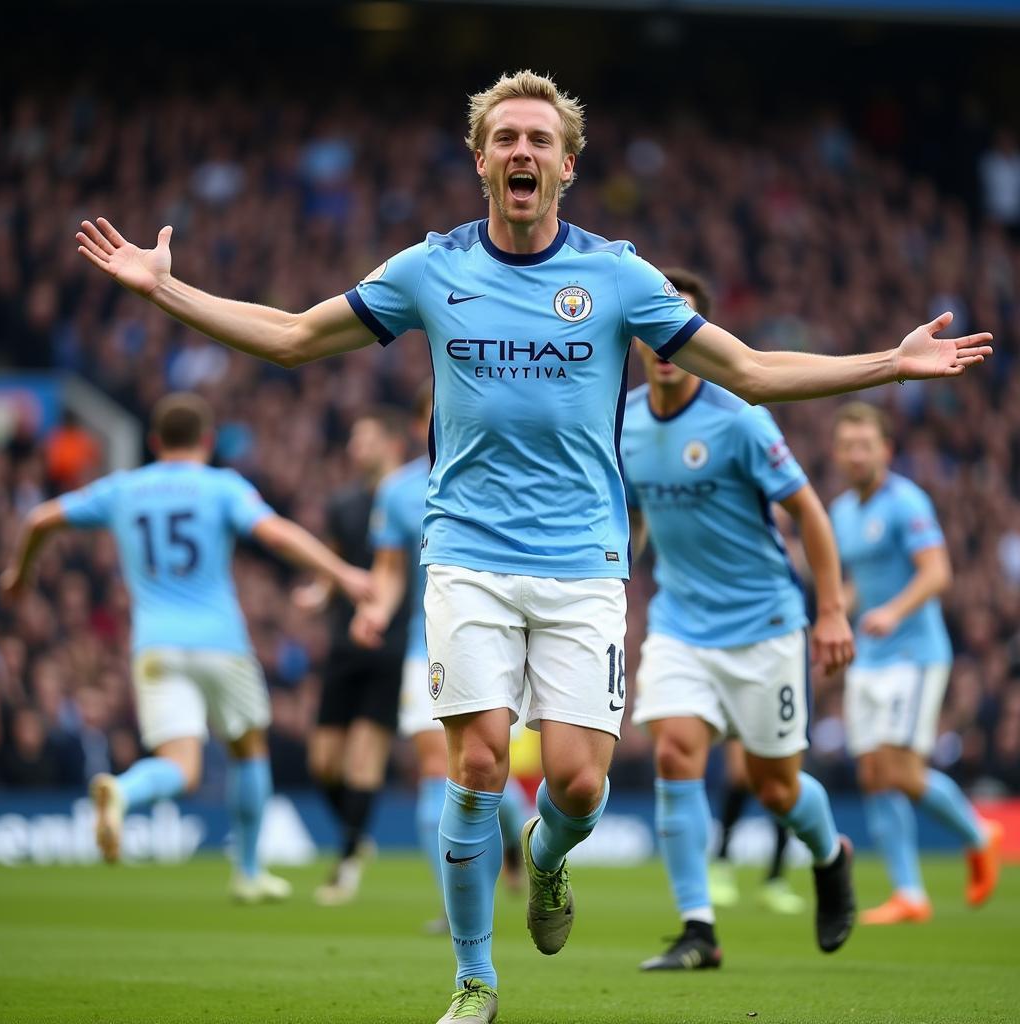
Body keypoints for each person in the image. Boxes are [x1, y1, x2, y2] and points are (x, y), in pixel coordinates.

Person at [75, 69, 991, 1024]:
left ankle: (548, 857)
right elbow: (295, 337)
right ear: (480, 160)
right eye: (505, 138)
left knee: (577, 782)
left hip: (583, 566)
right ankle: (476, 981)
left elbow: (753, 370)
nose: (522, 151)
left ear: (567, 163)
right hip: (465, 554)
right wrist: (167, 290)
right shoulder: (432, 267)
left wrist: (890, 363)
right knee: (475, 767)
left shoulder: (618, 277)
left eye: (539, 140)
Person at [0, 392, 371, 903]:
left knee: (181, 764)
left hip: (155, 645)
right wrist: (343, 575)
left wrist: (21, 574)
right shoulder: (221, 487)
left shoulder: (124, 488)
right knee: (248, 747)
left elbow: (41, 518)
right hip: (222, 642)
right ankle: (247, 870)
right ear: (208, 440)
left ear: (154, 442)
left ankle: (123, 792)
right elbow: (277, 535)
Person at [623, 267, 855, 971]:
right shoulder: (624, 421)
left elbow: (808, 511)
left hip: (764, 625)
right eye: (655, 329)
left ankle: (830, 852)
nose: (666, 343)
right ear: (638, 339)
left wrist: (833, 612)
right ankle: (699, 928)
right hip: (681, 624)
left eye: (680, 327)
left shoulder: (740, 418)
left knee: (775, 786)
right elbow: (632, 517)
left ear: (701, 337)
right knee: (674, 752)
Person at [348, 387, 529, 932]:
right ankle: (456, 906)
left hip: (497, 641)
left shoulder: (506, 474)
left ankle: (517, 844)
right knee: (437, 769)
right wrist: (375, 608)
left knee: (485, 769)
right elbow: (389, 568)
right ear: (424, 422)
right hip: (425, 647)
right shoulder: (399, 492)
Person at [830, 402, 1003, 924]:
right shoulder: (840, 511)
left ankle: (979, 832)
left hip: (913, 653)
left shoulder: (907, 502)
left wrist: (892, 612)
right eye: (847, 446)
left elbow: (937, 573)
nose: (856, 455)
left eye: (866, 445)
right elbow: (859, 581)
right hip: (870, 657)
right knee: (873, 774)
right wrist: (835, 617)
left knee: (900, 770)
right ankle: (909, 893)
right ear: (837, 453)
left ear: (886, 450)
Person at [301, 406, 411, 906]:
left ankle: (345, 863)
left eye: (362, 437)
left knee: (365, 759)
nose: (353, 448)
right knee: (323, 762)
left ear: (390, 443)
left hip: (393, 640)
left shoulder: (415, 495)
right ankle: (355, 833)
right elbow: (334, 558)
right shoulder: (343, 504)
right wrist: (320, 593)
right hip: (345, 641)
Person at [709, 739, 805, 915]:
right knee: (740, 777)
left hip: (781, 721)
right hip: (744, 721)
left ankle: (775, 882)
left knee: (783, 787)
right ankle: (720, 869)